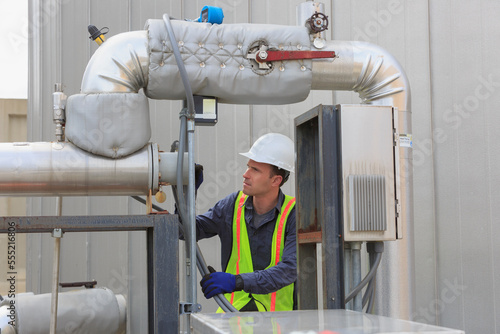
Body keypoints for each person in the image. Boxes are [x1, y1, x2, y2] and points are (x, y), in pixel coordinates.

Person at [197, 133, 297, 312]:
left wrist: (236, 282)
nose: (245, 174)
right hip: (233, 318)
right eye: (248, 167)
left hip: (278, 323)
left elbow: (289, 270)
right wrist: (184, 194)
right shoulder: (232, 205)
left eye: (255, 170)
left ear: (276, 180)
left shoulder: (294, 213)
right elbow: (187, 231)